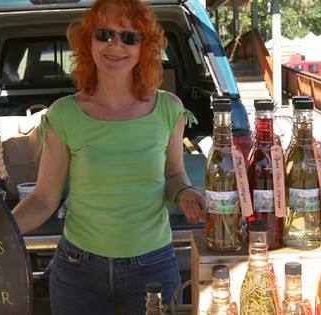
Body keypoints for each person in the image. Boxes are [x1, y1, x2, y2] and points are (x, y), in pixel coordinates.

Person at [10, 0, 205, 314]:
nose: (116, 45)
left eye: (129, 37)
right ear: (89, 41)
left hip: (153, 269)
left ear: (146, 48)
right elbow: (44, 199)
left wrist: (185, 194)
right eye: (105, 34)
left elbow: (174, 176)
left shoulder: (169, 109)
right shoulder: (64, 114)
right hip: (78, 273)